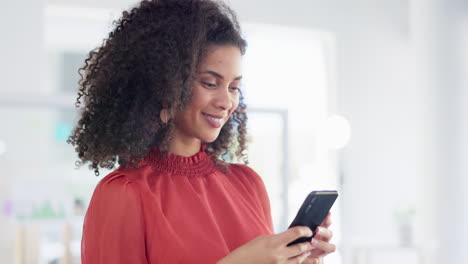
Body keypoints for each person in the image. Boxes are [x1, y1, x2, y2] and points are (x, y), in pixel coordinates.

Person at [68, 0, 336, 263]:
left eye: (233, 87)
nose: (227, 102)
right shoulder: (125, 194)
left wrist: (303, 259)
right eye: (210, 83)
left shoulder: (248, 185)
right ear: (166, 84)